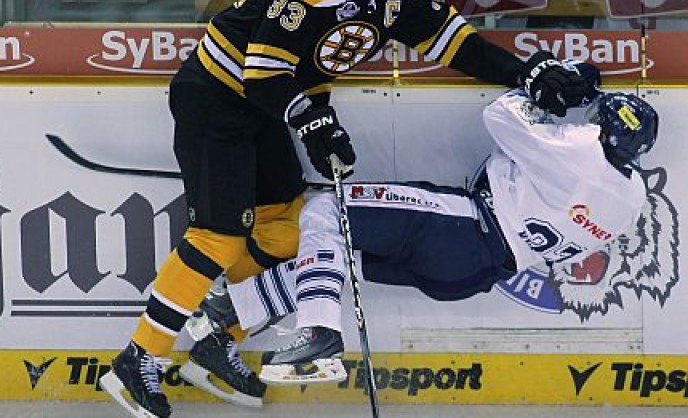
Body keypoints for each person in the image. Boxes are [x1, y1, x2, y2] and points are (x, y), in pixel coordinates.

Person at [99, 0, 593, 416]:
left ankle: (216, 343)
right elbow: (263, 73)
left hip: (269, 109)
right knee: (219, 236)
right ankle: (138, 359)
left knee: (287, 226)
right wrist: (311, 119)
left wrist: (524, 72)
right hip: (218, 95)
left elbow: (455, 44)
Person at [214, 84, 660, 386]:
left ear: (605, 128)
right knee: (336, 263)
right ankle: (227, 312)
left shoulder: (581, 149)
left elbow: (502, 114)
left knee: (326, 211)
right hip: (473, 275)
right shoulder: (631, 197)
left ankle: (319, 335)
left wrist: (543, 92)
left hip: (461, 226)